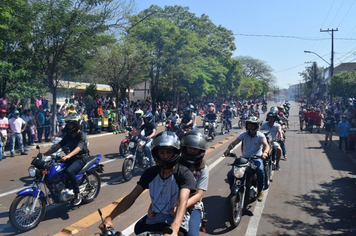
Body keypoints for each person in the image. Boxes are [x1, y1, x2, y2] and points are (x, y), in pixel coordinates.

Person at [99, 131, 196, 236]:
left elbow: (183, 201)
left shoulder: (183, 173)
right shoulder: (150, 173)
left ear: (176, 152)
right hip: (153, 221)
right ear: (156, 153)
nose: (165, 156)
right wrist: (110, 217)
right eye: (161, 152)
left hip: (175, 222)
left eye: (169, 152)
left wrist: (175, 229)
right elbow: (131, 197)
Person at [43, 113, 89, 206]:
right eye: (68, 124)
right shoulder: (68, 135)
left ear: (76, 125)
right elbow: (58, 145)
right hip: (72, 157)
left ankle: (77, 194)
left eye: (70, 124)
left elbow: (79, 148)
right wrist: (45, 154)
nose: (68, 126)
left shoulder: (82, 135)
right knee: (56, 168)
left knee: (69, 171)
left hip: (81, 158)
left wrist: (68, 156)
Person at [224, 115, 270, 201]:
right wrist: (228, 150)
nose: (250, 127)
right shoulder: (244, 135)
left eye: (252, 125)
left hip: (256, 158)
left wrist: (265, 153)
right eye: (249, 125)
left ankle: (260, 191)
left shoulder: (260, 135)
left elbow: (266, 145)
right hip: (244, 159)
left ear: (256, 126)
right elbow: (234, 142)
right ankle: (232, 191)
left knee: (260, 170)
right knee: (231, 175)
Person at [179, 130, 209, 236]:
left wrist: (181, 206)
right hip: (170, 203)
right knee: (141, 228)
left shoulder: (203, 169)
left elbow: (199, 194)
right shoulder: (175, 164)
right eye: (190, 147)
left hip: (192, 206)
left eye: (196, 149)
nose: (192, 151)